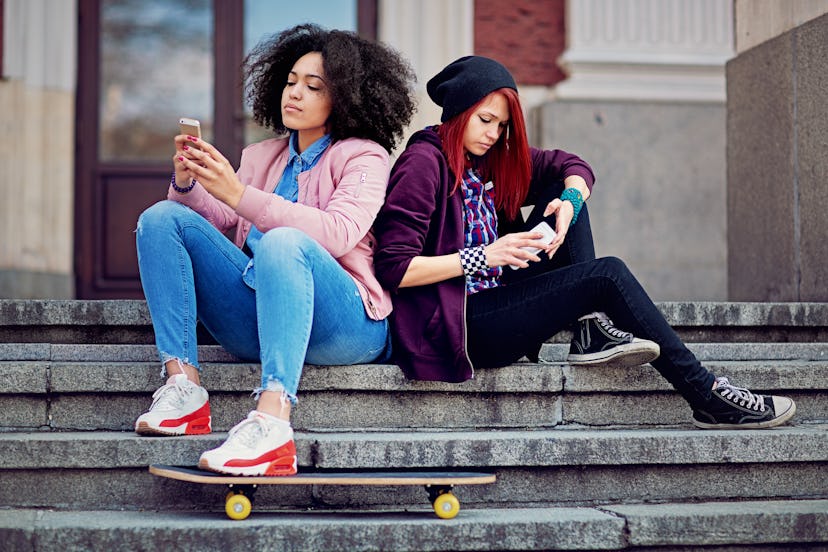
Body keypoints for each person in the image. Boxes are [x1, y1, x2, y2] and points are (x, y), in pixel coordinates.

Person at [374, 55, 796, 429]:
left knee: (565, 198)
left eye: (501, 125)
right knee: (606, 274)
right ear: (457, 112)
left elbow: (571, 164)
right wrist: (482, 256)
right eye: (485, 120)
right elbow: (393, 268)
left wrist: (571, 198)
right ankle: (706, 394)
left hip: (502, 294)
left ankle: (589, 328)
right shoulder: (422, 165)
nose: (493, 133)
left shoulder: (490, 162)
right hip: (460, 323)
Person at [133, 24, 416, 475]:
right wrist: (189, 182)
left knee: (285, 242)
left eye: (313, 86)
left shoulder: (365, 156)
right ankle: (183, 388)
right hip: (261, 314)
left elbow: (340, 231)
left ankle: (272, 421)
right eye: (290, 81)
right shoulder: (261, 155)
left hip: (346, 322)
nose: (295, 93)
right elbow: (223, 219)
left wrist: (237, 194)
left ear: (344, 97)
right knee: (160, 218)